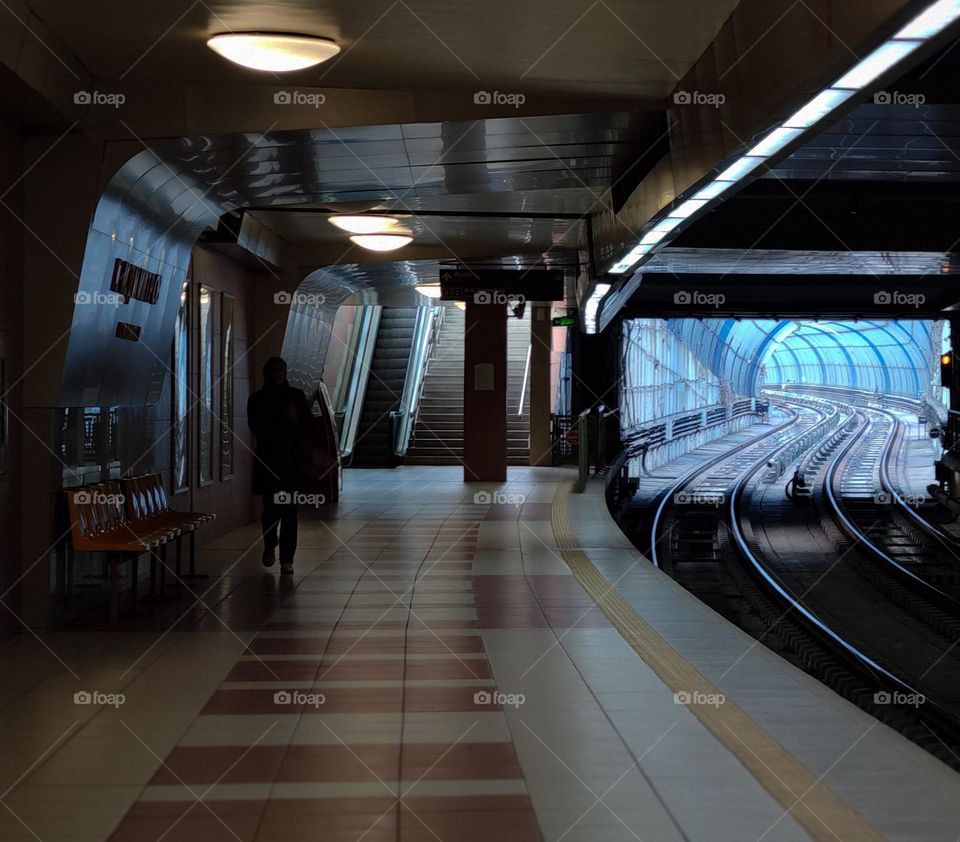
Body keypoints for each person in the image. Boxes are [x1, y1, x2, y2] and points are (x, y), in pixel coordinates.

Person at [247, 357, 311, 574]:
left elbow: (307, 426)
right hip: (271, 463)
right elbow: (256, 427)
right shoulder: (257, 400)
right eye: (274, 371)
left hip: (289, 463)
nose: (277, 376)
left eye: (280, 371)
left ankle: (287, 559)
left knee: (289, 511)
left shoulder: (296, 397)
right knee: (272, 510)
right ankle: (271, 543)